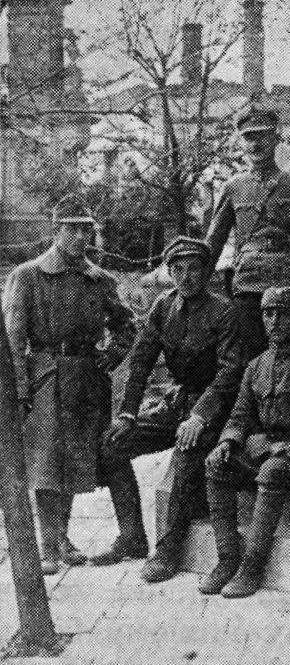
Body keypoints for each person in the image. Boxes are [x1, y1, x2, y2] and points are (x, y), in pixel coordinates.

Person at [92, 237, 243, 583]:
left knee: (186, 456)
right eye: (178, 269)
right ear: (170, 272)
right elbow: (141, 361)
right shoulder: (163, 306)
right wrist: (128, 414)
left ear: (206, 272)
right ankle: (132, 536)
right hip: (178, 402)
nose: (186, 277)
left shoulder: (223, 311)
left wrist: (200, 416)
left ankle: (167, 551)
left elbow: (230, 372)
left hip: (214, 409)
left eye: (194, 269)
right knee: (112, 444)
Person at [3, 194, 136, 575]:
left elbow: (126, 323)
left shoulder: (99, 279)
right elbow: (13, 338)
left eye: (86, 230)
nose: (80, 237)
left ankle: (63, 538)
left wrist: (114, 353)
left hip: (87, 380)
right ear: (56, 230)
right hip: (45, 376)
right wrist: (20, 389)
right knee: (47, 462)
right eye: (72, 229)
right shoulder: (28, 275)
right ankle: (48, 545)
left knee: (75, 461)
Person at [203, 286, 290, 599]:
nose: (274, 321)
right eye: (268, 314)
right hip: (272, 451)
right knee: (216, 464)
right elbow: (240, 416)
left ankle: (252, 568)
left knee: (271, 471)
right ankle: (227, 559)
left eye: (283, 314)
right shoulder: (255, 367)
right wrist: (227, 442)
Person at [205, 103, 290, 361]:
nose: (255, 144)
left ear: (276, 138)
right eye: (249, 137)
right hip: (249, 283)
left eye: (263, 135)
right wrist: (198, 283)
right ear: (241, 142)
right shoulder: (233, 188)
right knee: (250, 359)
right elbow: (213, 242)